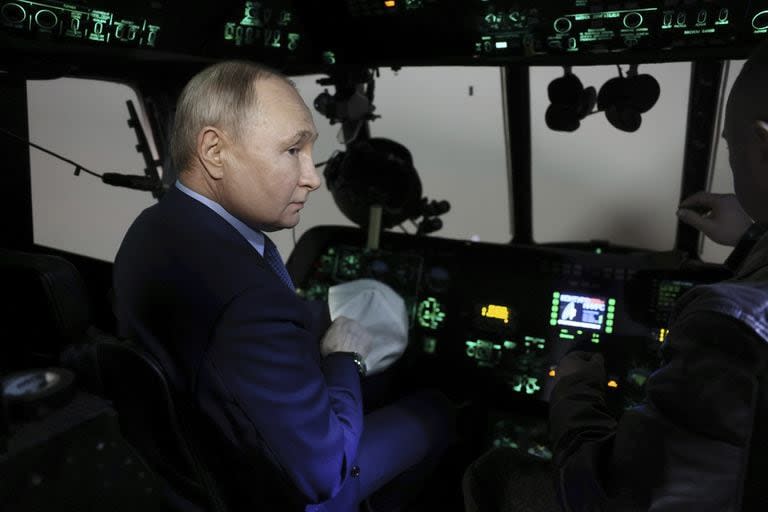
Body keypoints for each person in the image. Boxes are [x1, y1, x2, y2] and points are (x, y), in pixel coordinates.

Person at [113, 61, 454, 512]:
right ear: (214, 151)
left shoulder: (153, 227)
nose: (312, 177)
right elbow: (323, 473)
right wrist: (343, 356)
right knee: (438, 410)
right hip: (269, 495)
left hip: (192, 468)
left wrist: (313, 332)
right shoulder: (246, 300)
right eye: (293, 151)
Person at [549, 41, 768, 512]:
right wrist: (755, 229)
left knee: (491, 473)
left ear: (763, 143)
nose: (730, 161)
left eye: (730, 145)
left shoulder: (731, 326)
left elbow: (609, 493)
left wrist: (573, 386)